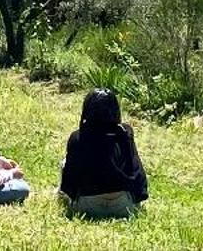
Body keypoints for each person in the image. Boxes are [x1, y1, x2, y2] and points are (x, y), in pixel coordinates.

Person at [58, 88, 149, 219]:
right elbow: (135, 168)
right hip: (124, 207)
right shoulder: (125, 133)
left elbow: (69, 180)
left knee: (64, 162)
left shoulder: (78, 137)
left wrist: (70, 197)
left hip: (87, 206)